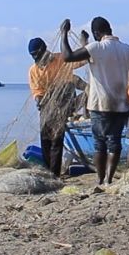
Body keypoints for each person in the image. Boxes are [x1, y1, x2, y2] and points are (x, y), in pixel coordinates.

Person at [60, 17, 129, 185]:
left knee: (100, 144)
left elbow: (67, 56)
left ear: (96, 33)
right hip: (121, 104)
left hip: (100, 104)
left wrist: (64, 33)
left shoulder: (97, 47)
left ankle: (100, 180)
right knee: (115, 143)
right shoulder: (127, 50)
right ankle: (109, 178)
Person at [28, 36, 87, 177]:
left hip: (65, 104)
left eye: (38, 54)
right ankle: (50, 171)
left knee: (56, 140)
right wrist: (39, 100)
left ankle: (54, 174)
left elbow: (82, 59)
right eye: (34, 56)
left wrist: (85, 43)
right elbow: (37, 90)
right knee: (46, 139)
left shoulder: (61, 59)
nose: (37, 58)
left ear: (44, 50)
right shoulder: (34, 70)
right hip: (47, 106)